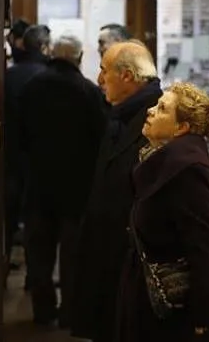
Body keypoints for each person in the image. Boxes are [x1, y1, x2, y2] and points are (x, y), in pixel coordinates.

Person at [116, 82, 209, 342]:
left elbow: (203, 249)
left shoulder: (186, 171)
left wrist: (204, 322)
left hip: (173, 311)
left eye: (162, 109)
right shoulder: (160, 159)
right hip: (149, 297)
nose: (151, 111)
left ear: (182, 128)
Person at [70, 41, 163, 342]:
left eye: (104, 71)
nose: (98, 80)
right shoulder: (120, 115)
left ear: (127, 76)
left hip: (134, 258)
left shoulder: (158, 120)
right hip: (110, 250)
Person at [17, 35, 108, 326]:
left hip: (39, 185)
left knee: (39, 254)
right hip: (78, 188)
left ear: (51, 54)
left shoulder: (32, 88)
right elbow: (101, 141)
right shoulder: (89, 92)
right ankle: (71, 312)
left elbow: (18, 137)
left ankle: (43, 311)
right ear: (79, 58)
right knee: (74, 256)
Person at [3, 25, 50, 267]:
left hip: (10, 154)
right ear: (44, 47)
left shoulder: (9, 75)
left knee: (8, 216)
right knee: (37, 221)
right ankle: (35, 273)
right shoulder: (48, 76)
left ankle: (3, 263)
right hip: (40, 158)